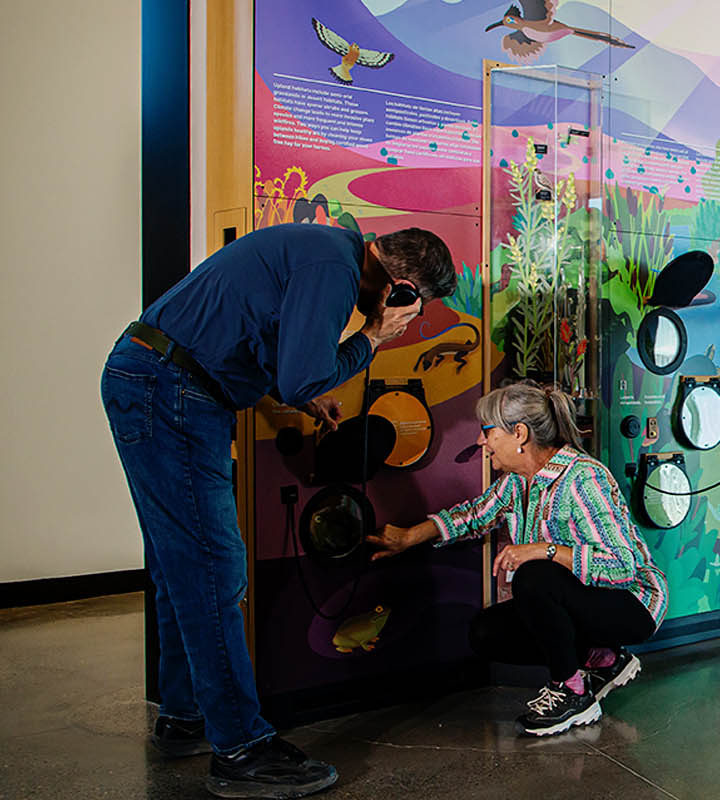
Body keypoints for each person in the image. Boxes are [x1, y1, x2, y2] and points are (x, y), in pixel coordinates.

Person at [101, 223, 456, 799]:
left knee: (181, 567)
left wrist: (302, 384)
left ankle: (186, 714)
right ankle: (241, 750)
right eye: (416, 308)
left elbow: (275, 353)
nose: (411, 319)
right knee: (214, 567)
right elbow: (300, 377)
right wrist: (372, 335)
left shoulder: (323, 251)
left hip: (158, 381)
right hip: (170, 393)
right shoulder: (336, 270)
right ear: (402, 287)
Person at [366, 381, 667, 736]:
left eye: (487, 432)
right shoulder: (515, 483)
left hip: (634, 604)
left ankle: (573, 693)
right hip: (584, 600)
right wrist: (409, 537)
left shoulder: (582, 477)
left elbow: (622, 566)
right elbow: (474, 515)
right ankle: (603, 660)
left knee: (534, 575)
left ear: (519, 434)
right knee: (486, 633)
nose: (481, 442)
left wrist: (542, 550)